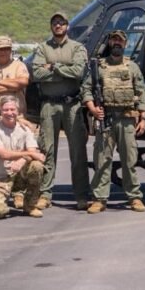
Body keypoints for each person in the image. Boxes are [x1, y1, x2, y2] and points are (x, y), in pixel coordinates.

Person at [82, 30, 145, 214]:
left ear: (125, 44)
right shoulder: (99, 67)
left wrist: (143, 118)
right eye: (114, 40)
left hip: (127, 119)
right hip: (106, 118)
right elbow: (86, 89)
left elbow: (141, 92)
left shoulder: (132, 67)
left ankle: (134, 197)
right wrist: (92, 109)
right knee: (102, 160)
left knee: (129, 160)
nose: (117, 43)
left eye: (120, 40)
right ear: (110, 43)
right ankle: (99, 198)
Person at [31, 12, 90, 210]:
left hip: (72, 104)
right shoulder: (42, 48)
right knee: (47, 150)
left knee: (78, 151)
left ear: (67, 26)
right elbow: (37, 73)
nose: (58, 25)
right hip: (49, 105)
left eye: (62, 23)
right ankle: (45, 194)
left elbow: (78, 72)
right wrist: (65, 72)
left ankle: (81, 195)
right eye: (55, 23)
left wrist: (54, 67)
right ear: (51, 26)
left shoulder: (77, 47)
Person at [0, 95, 46, 219]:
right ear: (1, 111)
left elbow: (32, 150)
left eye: (12, 109)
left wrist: (21, 161)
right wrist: (29, 154)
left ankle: (30, 205)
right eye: (5, 110)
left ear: (18, 111)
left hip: (18, 175)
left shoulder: (25, 129)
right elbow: (3, 154)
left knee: (37, 166)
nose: (9, 113)